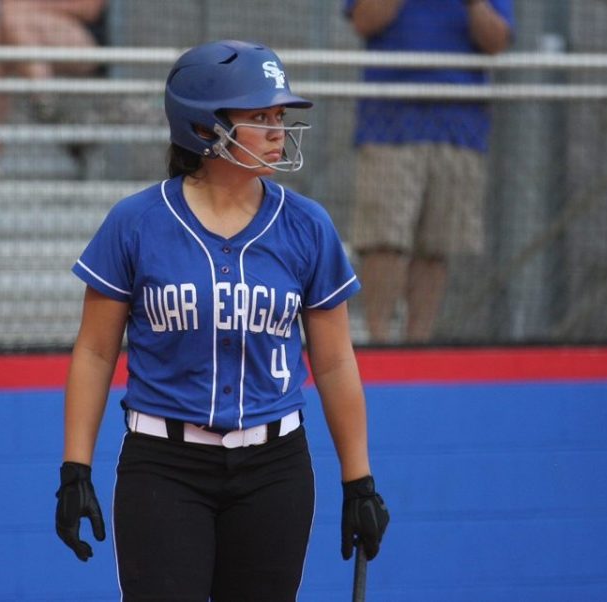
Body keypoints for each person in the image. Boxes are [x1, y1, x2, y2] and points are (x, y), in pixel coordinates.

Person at [54, 40, 390, 601]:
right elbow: (93, 353)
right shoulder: (135, 223)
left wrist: (359, 482)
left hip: (276, 468)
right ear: (204, 128)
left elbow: (333, 362)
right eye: (259, 116)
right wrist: (75, 469)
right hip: (164, 466)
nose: (278, 129)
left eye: (279, 115)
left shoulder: (307, 226)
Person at [345, 0, 514, 343]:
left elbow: (496, 42)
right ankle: (379, 342)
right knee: (384, 240)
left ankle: (419, 345)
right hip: (389, 122)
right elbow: (364, 21)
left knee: (436, 244)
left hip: (458, 125)